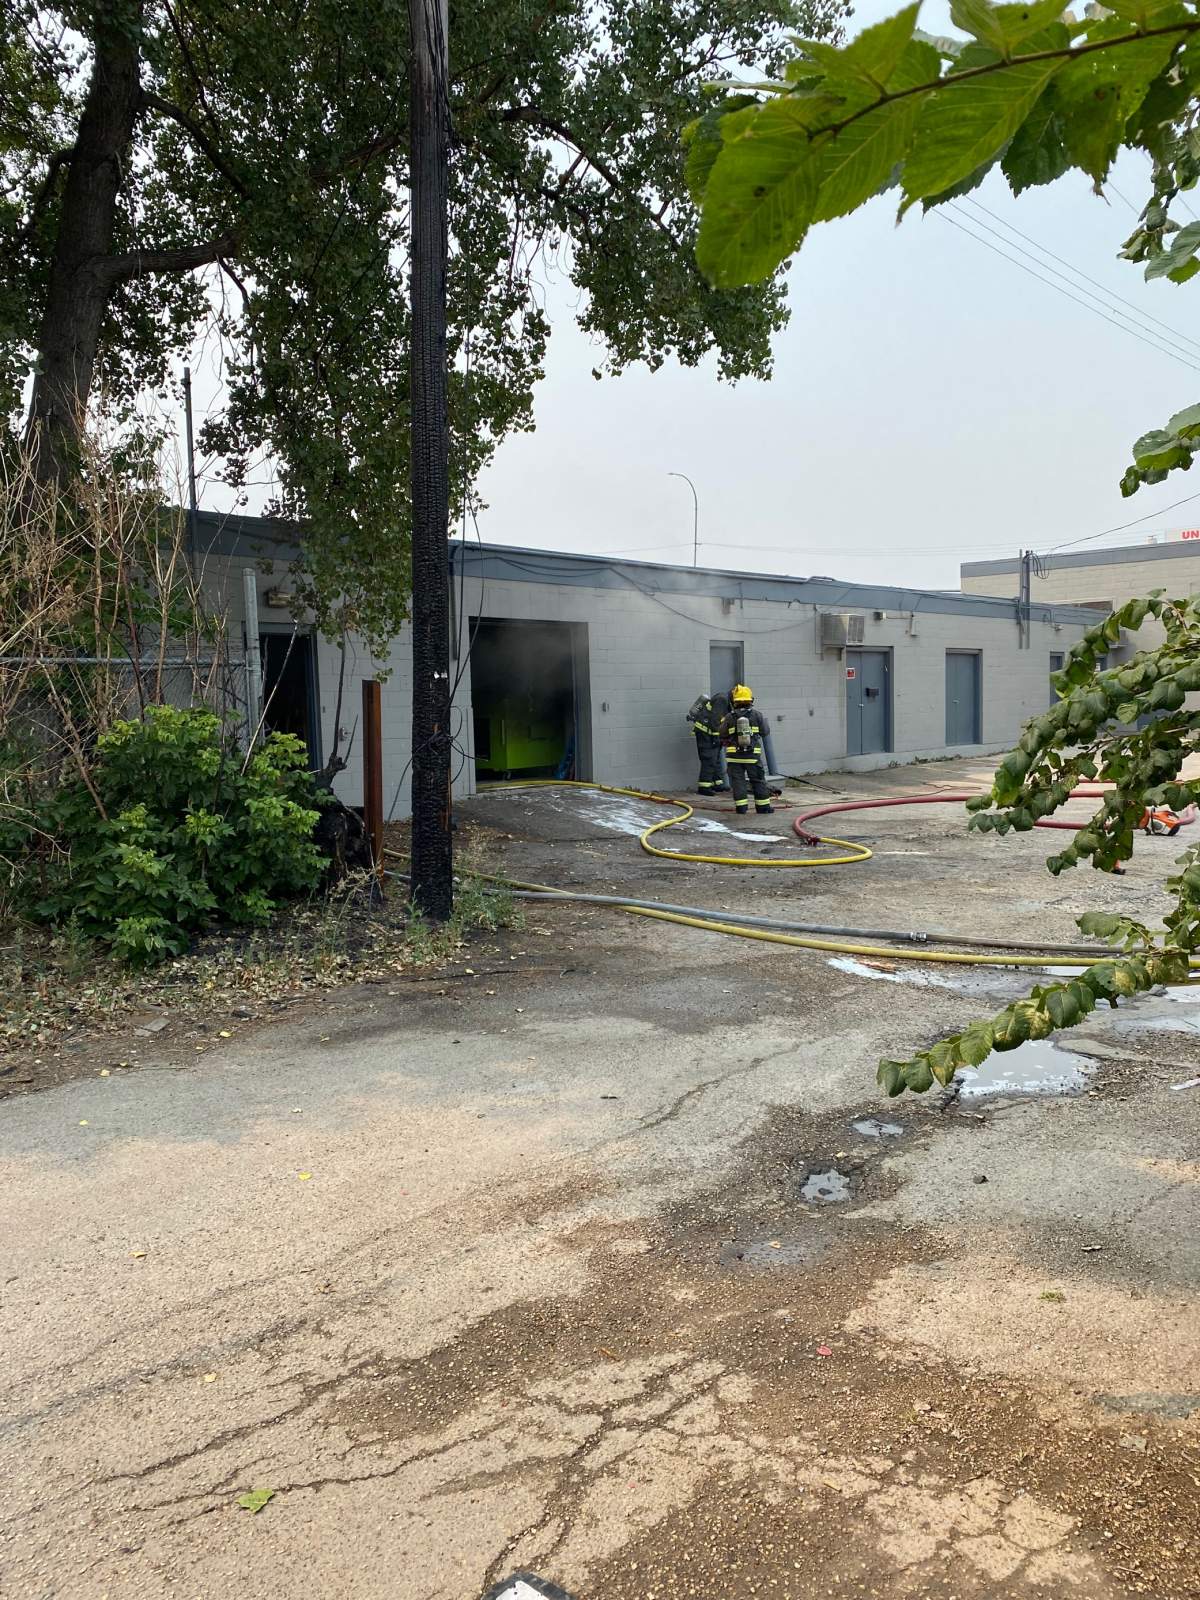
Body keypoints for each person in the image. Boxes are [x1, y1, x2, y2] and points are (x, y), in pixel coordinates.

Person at [720, 684, 773, 816]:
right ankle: (763, 808)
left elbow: (722, 734)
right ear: (750, 700)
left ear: (734, 702)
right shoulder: (757, 715)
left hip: (734, 757)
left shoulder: (729, 717)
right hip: (752, 756)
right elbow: (765, 732)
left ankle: (741, 809)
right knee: (758, 780)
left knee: (738, 782)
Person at [686, 689, 728, 795]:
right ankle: (704, 787)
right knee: (709, 759)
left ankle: (717, 784)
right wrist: (715, 737)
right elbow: (715, 720)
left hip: (711, 732)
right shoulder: (722, 700)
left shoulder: (726, 700)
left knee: (716, 758)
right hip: (705, 733)